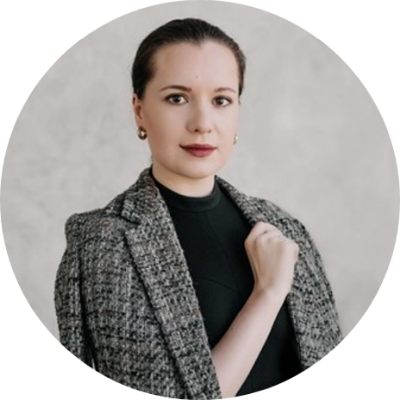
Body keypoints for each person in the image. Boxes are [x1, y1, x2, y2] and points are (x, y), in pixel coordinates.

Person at [54, 18, 343, 399]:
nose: (202, 123)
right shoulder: (104, 243)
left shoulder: (285, 230)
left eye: (221, 100)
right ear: (139, 111)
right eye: (177, 98)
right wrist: (267, 294)